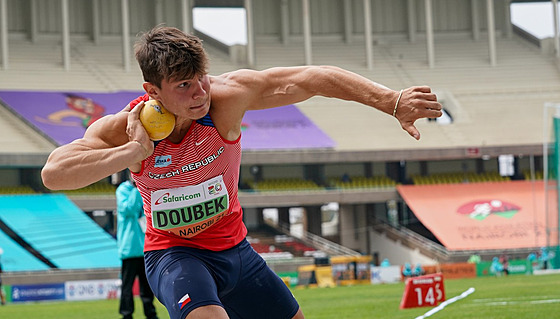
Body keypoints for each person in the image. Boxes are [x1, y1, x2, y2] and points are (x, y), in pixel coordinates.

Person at [41, 25, 442, 319]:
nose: (199, 94)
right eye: (183, 86)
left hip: (238, 253)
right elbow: (54, 174)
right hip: (175, 255)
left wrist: (391, 100)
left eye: (201, 79)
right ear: (152, 91)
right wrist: (132, 151)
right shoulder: (124, 127)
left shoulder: (226, 98)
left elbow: (311, 78)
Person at [116, 174, 158, 319]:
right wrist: (136, 188)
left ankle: (151, 315)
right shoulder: (123, 189)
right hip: (129, 248)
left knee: (147, 288)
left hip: (145, 247)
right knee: (127, 287)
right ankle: (126, 315)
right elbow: (129, 210)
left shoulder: (145, 186)